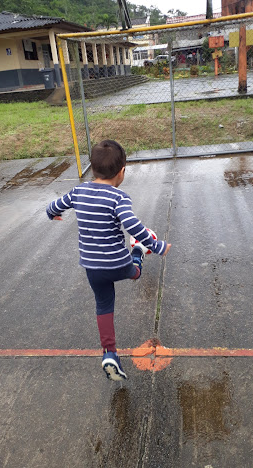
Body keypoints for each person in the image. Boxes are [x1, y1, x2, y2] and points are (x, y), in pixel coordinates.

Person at [46, 140, 171, 381]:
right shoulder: (119, 197)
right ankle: (138, 252)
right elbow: (133, 224)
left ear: (92, 169)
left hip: (92, 267)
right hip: (118, 264)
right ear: (122, 171)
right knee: (135, 272)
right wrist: (156, 245)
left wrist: (52, 213)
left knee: (104, 306)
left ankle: (109, 353)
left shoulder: (78, 191)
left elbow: (55, 205)